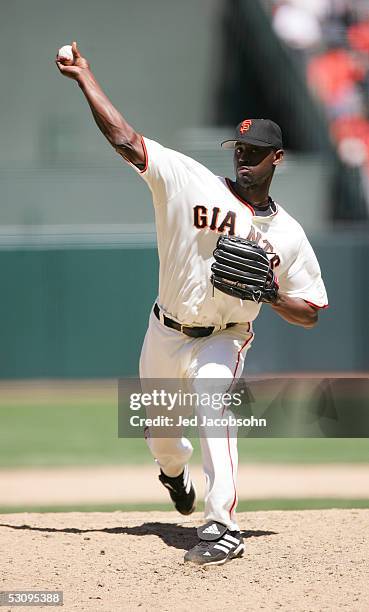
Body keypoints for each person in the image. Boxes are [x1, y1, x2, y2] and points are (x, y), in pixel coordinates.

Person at [56, 42, 328, 567]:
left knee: (212, 399)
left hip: (225, 335)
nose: (243, 157)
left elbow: (311, 312)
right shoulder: (188, 181)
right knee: (162, 439)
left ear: (278, 159)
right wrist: (85, 77)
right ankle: (174, 474)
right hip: (165, 329)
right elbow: (126, 141)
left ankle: (224, 525)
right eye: (239, 149)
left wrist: (271, 294)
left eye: (255, 152)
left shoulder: (289, 234)